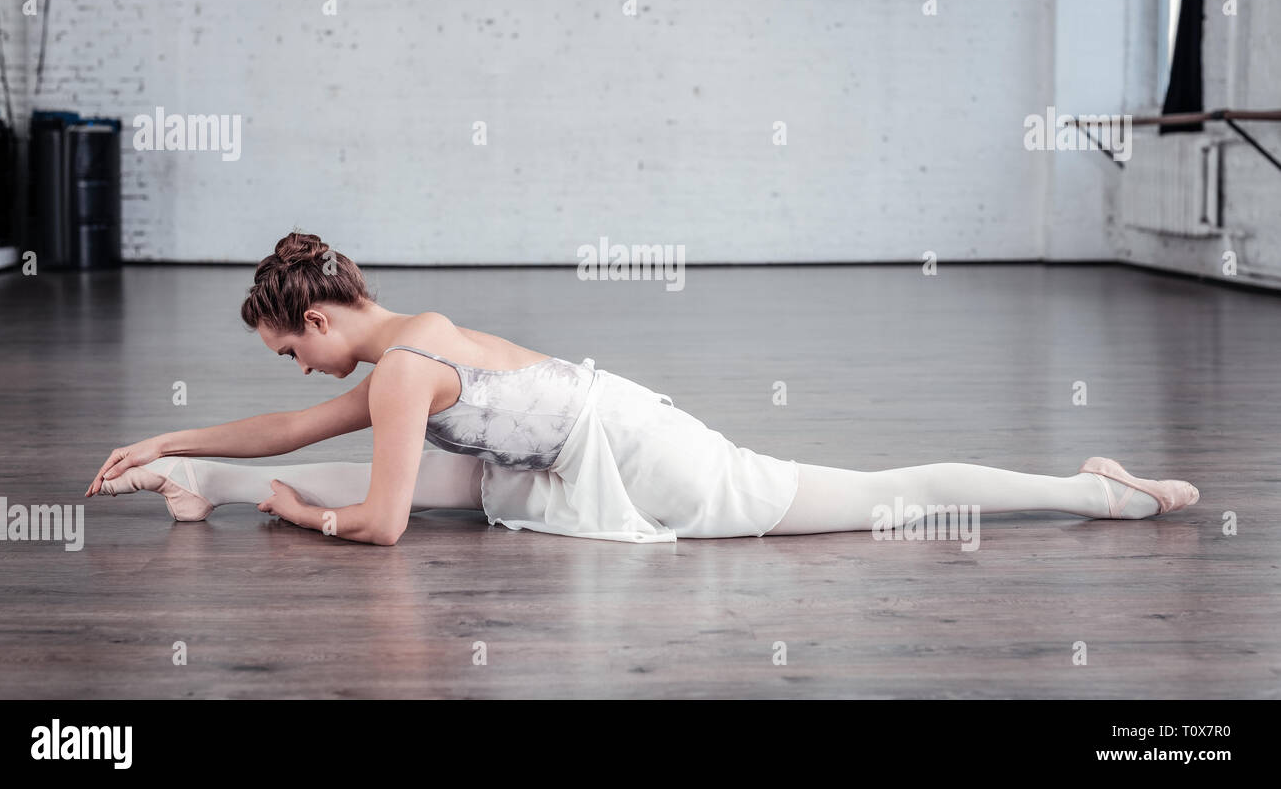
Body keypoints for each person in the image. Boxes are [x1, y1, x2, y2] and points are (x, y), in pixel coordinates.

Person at [85, 231, 1200, 546]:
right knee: (455, 482)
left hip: (642, 450)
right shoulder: (404, 347)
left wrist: (293, 511)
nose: (293, 367)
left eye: (289, 346)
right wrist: (171, 438)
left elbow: (375, 520)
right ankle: (190, 483)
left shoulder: (404, 371)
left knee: (870, 496)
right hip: (578, 437)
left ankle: (1100, 489)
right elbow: (292, 423)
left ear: (317, 318)